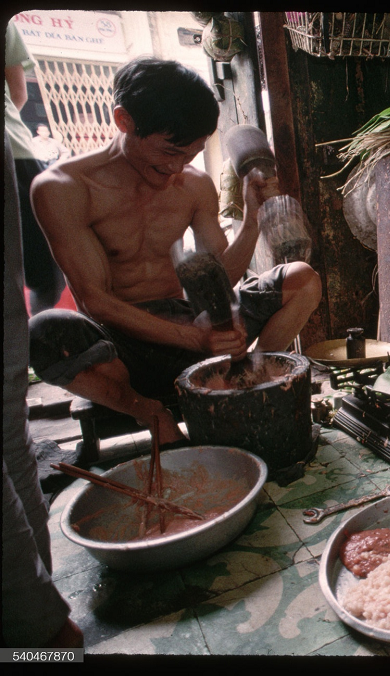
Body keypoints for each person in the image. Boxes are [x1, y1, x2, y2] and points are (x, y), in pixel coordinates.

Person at [27, 58, 322, 448]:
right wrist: (192, 339)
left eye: (192, 153)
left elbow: (221, 281)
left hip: (191, 323)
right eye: (169, 151)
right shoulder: (63, 187)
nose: (177, 166)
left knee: (302, 279)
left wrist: (252, 221)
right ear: (124, 120)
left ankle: (250, 380)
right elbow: (95, 300)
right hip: (123, 349)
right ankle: (147, 411)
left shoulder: (194, 186)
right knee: (43, 332)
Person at [4, 129, 84, 648]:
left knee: (10, 433)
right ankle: (43, 627)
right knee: (11, 431)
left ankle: (41, 632)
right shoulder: (68, 184)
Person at [5, 21, 66, 314]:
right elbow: (18, 92)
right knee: (47, 271)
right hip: (13, 153)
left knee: (47, 270)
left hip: (14, 153)